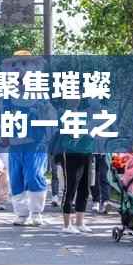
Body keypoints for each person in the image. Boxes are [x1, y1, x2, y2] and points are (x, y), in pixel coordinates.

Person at [2, 51, 56, 226]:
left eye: (24, 64)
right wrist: (4, 134)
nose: (19, 68)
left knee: (34, 175)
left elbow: (49, 114)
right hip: (15, 143)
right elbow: (3, 115)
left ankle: (36, 212)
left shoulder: (39, 93)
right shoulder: (7, 94)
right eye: (15, 65)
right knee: (15, 178)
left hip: (35, 142)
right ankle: (21, 213)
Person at [55, 99, 94, 234]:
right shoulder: (63, 114)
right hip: (71, 154)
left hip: (86, 153)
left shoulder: (85, 114)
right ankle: (67, 225)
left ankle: (80, 222)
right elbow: (71, 133)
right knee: (70, 188)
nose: (75, 100)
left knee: (85, 188)